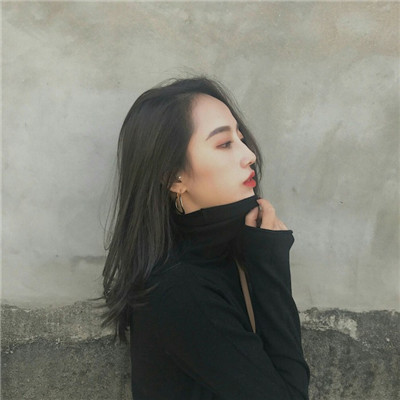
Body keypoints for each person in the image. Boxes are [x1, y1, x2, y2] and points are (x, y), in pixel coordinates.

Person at [98, 75, 311, 399]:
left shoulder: (230, 252)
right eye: (225, 143)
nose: (249, 155)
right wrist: (271, 266)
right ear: (174, 178)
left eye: (241, 138)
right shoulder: (181, 291)